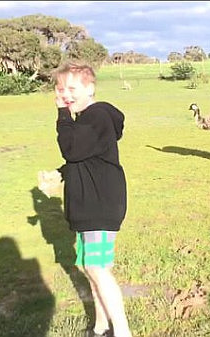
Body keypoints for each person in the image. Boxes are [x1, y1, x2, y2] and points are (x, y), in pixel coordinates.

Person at [52, 61, 131, 337]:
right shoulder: (88, 119)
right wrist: (60, 174)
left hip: (101, 203)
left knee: (96, 267)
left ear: (90, 88)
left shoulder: (96, 115)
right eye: (60, 89)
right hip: (93, 203)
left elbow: (71, 149)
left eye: (71, 89)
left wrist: (62, 112)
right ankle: (101, 327)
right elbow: (85, 156)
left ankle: (122, 332)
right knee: (92, 267)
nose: (65, 94)